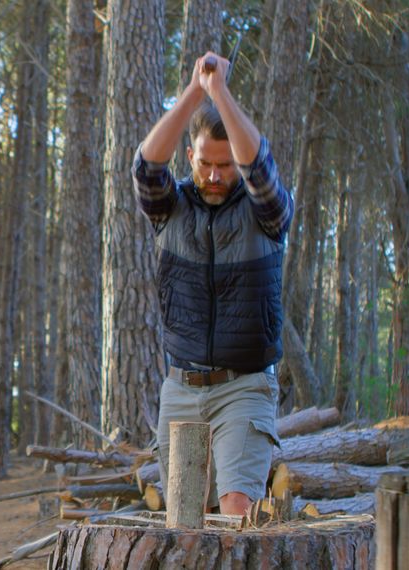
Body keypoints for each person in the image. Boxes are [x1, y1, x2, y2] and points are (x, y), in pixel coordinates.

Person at [132, 51, 294, 516]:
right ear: (191, 157)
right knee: (184, 520)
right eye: (206, 163)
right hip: (181, 387)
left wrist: (219, 92)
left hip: (244, 386)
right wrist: (195, 91)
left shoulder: (266, 214)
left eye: (226, 165)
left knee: (237, 507)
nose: (215, 175)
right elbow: (144, 167)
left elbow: (260, 170)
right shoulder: (170, 208)